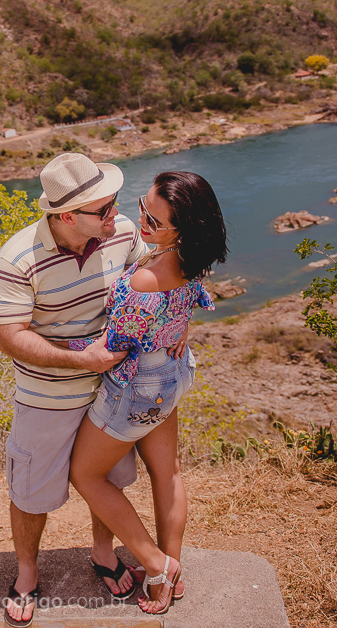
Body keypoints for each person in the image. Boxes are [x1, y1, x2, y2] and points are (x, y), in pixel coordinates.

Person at [0, 152, 148, 628]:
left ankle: (103, 554)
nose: (114, 215)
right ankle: (26, 573)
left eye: (114, 202)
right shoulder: (17, 258)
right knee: (31, 491)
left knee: (112, 480)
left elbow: (150, 281)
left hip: (112, 389)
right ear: (64, 217)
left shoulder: (121, 233)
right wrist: (80, 359)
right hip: (46, 397)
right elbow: (9, 335)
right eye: (103, 210)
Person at [68, 171, 227, 616]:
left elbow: (114, 348)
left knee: (86, 475)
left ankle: (157, 566)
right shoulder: (191, 259)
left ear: (181, 229)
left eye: (153, 222)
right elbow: (189, 298)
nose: (142, 223)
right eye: (143, 208)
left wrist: (62, 345)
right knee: (168, 472)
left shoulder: (145, 281)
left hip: (138, 386)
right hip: (173, 371)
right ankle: (173, 570)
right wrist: (178, 325)